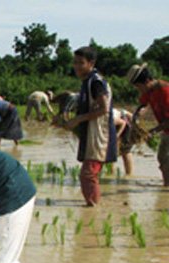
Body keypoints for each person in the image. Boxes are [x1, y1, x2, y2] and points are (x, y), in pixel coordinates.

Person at [65, 47, 117, 206]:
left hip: (99, 133)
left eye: (81, 63)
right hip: (91, 133)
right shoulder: (87, 82)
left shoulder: (95, 82)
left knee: (88, 173)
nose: (77, 66)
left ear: (91, 63)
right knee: (89, 173)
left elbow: (104, 108)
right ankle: (92, 204)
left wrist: (79, 119)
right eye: (75, 63)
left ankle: (93, 207)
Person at [127, 63, 169, 186]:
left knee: (167, 159)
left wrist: (152, 131)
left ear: (147, 81)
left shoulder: (165, 91)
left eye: (139, 87)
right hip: (166, 132)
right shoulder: (149, 91)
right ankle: (166, 187)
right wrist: (137, 116)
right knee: (162, 158)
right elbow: (144, 104)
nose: (139, 90)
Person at [113, 108, 135, 175]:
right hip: (118, 121)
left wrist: (116, 136)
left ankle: (129, 174)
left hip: (125, 122)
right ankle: (110, 172)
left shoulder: (111, 119)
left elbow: (123, 123)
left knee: (125, 150)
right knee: (111, 150)